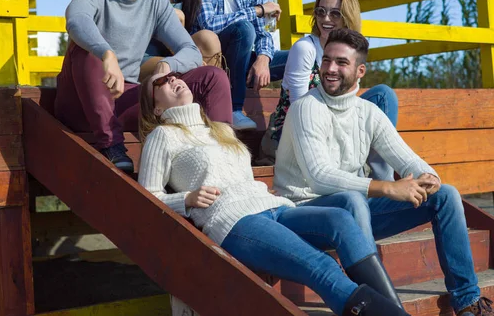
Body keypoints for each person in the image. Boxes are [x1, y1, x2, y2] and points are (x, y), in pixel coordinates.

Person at [137, 71, 411, 316]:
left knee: (340, 220)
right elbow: (146, 199)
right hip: (234, 220)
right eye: (161, 81)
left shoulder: (220, 129)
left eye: (175, 74)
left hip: (273, 206)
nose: (173, 79)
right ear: (157, 108)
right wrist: (185, 199)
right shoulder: (162, 136)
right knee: (321, 266)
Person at [273, 28, 493, 316]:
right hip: (304, 212)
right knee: (351, 200)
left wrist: (428, 177)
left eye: (341, 63)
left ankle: (466, 302)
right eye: (326, 60)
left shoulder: (367, 112)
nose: (330, 69)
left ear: (360, 70)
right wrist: (386, 187)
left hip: (355, 213)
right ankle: (384, 309)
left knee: (446, 195)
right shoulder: (306, 108)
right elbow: (319, 175)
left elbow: (407, 159)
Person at [54, 0, 232, 172]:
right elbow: (76, 20)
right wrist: (106, 54)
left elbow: (190, 50)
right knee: (85, 48)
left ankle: (224, 151)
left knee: (213, 76)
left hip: (125, 97)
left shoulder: (155, 2)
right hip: (79, 101)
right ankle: (111, 145)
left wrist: (167, 65)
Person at [261, 0, 398, 182]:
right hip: (295, 132)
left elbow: (348, 102)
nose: (326, 19)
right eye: (321, 12)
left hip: (336, 127)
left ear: (348, 17)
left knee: (383, 96)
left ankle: (382, 182)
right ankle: (368, 180)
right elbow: (300, 109)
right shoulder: (305, 48)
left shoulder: (350, 51)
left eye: (335, 14)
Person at [195, 0, 288, 131]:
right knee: (244, 29)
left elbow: (262, 35)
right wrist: (257, 10)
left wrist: (263, 60)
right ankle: (234, 109)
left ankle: (286, 119)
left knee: (298, 55)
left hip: (242, 64)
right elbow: (209, 24)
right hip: (211, 62)